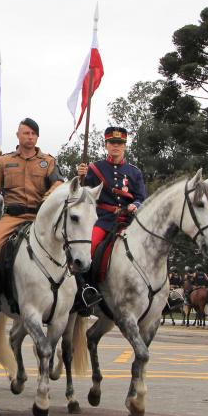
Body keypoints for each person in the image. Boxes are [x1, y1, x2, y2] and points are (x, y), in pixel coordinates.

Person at [0, 118, 63, 321]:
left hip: (39, 217)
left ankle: (78, 295)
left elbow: (58, 183)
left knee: (67, 244)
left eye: (33, 134)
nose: (30, 137)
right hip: (12, 216)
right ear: (18, 135)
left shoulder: (48, 161)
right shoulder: (5, 161)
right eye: (26, 133)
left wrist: (45, 200)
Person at [76, 127, 147, 312]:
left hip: (127, 220)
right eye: (112, 143)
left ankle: (158, 293)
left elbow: (141, 197)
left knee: (150, 247)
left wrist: (136, 206)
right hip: (102, 219)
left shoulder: (134, 172)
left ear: (124, 146)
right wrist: (80, 177)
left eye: (120, 143)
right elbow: (82, 194)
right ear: (106, 145)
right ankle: (84, 290)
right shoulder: (94, 169)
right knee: (88, 249)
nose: (116, 146)